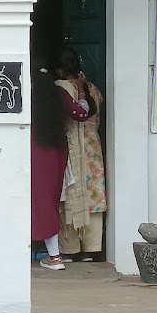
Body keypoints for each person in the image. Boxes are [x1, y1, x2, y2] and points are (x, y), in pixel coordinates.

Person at [31, 66, 89, 270]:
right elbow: (81, 113)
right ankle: (53, 255)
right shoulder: (59, 94)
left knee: (35, 201)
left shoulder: (25, 96)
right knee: (49, 201)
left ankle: (54, 257)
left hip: (33, 151)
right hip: (57, 151)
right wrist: (81, 90)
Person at [55, 48, 107, 262]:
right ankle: (92, 248)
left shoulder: (61, 87)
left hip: (71, 148)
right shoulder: (92, 88)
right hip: (92, 148)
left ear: (59, 69)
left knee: (70, 192)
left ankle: (70, 249)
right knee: (93, 194)